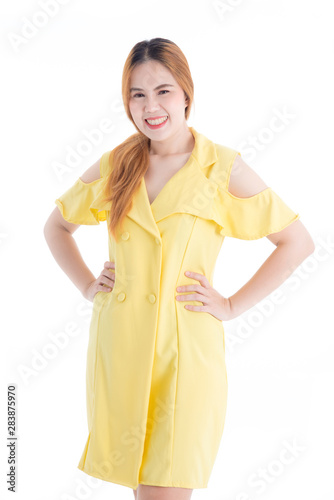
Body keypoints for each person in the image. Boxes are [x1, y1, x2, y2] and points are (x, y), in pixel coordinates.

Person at [44, 38, 315, 500]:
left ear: (186, 93)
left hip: (185, 354)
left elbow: (296, 241)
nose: (151, 106)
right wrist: (91, 287)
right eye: (137, 94)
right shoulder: (116, 164)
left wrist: (230, 304)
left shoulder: (221, 167)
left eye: (163, 91)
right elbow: (57, 228)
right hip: (121, 347)